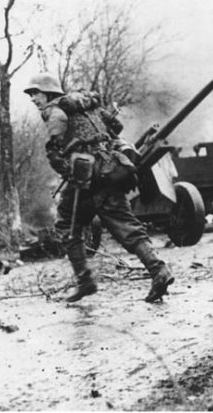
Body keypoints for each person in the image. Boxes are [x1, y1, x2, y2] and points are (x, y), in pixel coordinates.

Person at [24, 73, 174, 303]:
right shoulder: (86, 104)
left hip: (87, 179)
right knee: (128, 227)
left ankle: (85, 281)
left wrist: (68, 170)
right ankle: (159, 270)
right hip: (111, 170)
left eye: (35, 93)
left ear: (49, 92)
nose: (33, 99)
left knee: (67, 225)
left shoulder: (55, 112)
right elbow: (116, 125)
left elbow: (54, 151)